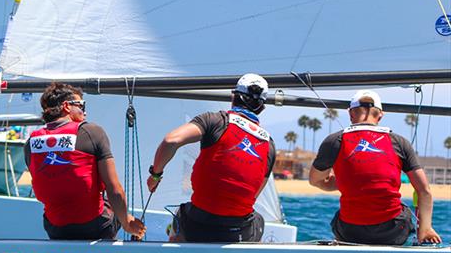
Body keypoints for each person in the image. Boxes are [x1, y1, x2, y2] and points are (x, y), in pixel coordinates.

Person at [147, 73, 275, 243]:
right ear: (262, 108)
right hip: (238, 230)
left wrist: (155, 175)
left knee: (180, 214)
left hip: (198, 224)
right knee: (258, 221)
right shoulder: (269, 145)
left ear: (233, 96)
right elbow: (254, 192)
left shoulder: (215, 120)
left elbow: (171, 140)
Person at [309, 90, 441, 245]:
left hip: (350, 230)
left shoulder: (334, 141)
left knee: (341, 215)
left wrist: (347, 182)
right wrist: (425, 229)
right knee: (402, 211)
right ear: (380, 116)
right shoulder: (399, 142)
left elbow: (315, 180)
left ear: (351, 114)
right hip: (392, 230)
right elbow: (424, 191)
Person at [26, 82, 145, 240]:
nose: (85, 113)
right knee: (115, 204)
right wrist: (126, 223)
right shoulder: (91, 132)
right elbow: (115, 190)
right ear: (67, 107)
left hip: (55, 229)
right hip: (94, 226)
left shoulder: (30, 143)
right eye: (82, 106)